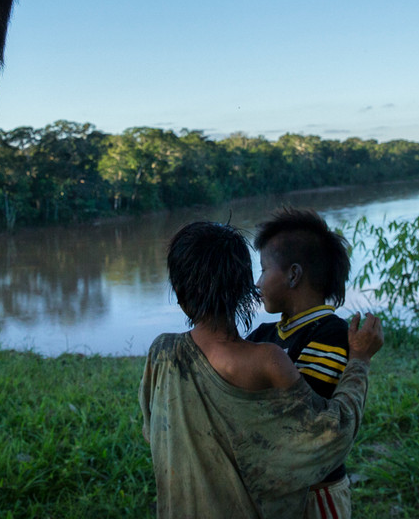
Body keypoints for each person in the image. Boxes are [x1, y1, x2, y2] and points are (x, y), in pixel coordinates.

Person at [139, 220, 383, 519]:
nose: (258, 282)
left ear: (179, 293)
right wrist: (361, 360)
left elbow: (155, 433)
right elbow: (326, 433)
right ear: (242, 288)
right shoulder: (267, 353)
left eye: (264, 271)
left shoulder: (161, 353)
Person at [247, 207, 354, 519]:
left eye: (263, 270)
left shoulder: (331, 332)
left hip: (315, 493)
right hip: (273, 487)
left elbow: (300, 415)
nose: (257, 283)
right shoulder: (264, 333)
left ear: (293, 275)